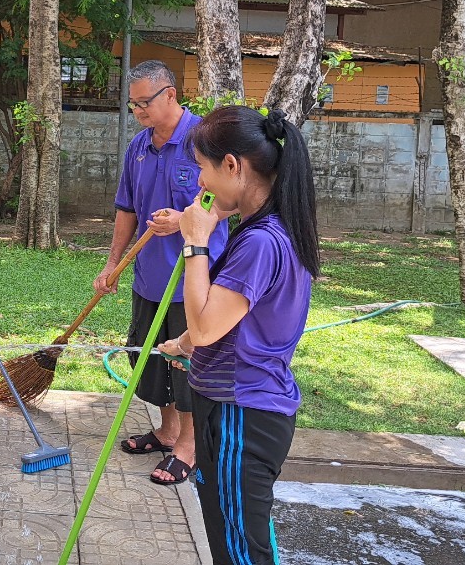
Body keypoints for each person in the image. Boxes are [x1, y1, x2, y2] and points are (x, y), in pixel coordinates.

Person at [156, 106, 320, 564]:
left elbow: (207, 326)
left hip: (241, 414)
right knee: (236, 540)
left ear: (232, 165)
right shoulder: (265, 229)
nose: (200, 185)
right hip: (235, 405)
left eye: (202, 170)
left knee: (239, 553)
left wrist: (195, 242)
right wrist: (183, 344)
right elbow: (229, 321)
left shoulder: (262, 241)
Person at [94, 60, 228, 485]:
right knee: (150, 359)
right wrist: (113, 263)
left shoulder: (204, 139)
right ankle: (168, 430)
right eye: (132, 105)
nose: (138, 112)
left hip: (193, 280)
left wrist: (185, 219)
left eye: (144, 103)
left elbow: (226, 199)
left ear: (170, 94)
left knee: (186, 362)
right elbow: (126, 209)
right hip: (150, 277)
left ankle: (188, 446)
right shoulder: (138, 147)